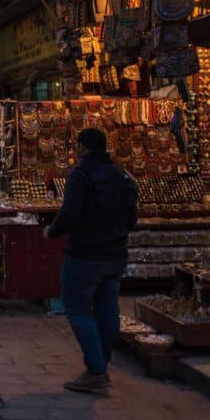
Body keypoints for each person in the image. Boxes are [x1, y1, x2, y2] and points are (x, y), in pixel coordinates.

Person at [46, 128, 138, 394]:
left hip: (86, 255)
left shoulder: (81, 174)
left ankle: (97, 371)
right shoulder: (121, 174)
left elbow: (70, 213)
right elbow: (132, 215)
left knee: (77, 308)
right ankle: (101, 364)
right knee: (108, 307)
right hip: (116, 253)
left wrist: (52, 232)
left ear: (83, 148)